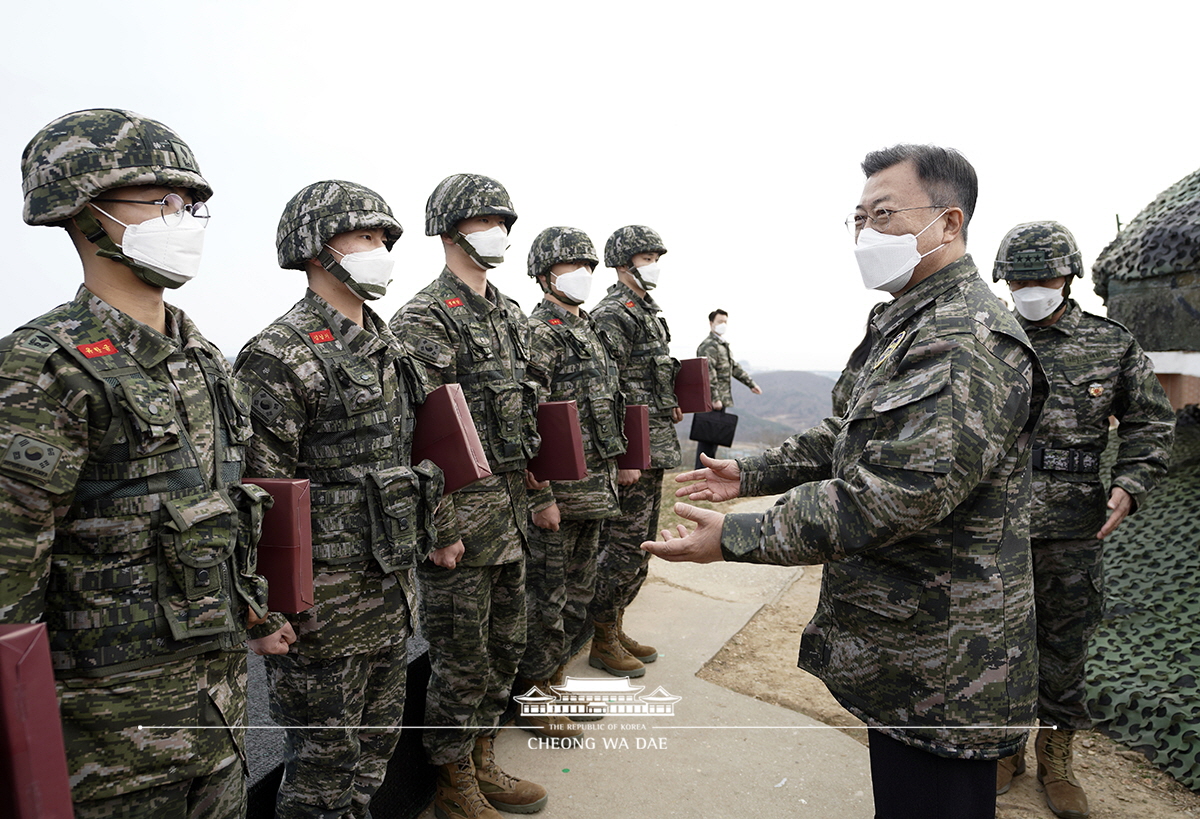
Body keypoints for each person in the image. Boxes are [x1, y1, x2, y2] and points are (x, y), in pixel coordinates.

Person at [644, 144, 1044, 819]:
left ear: (949, 223)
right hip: (906, 649)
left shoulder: (964, 338)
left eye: (884, 214)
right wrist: (749, 470)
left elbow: (892, 494)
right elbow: (847, 433)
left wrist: (738, 535)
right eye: (857, 218)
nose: (865, 234)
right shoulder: (908, 318)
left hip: (944, 661)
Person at [0, 108, 288, 818]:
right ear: (84, 211)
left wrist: (254, 610)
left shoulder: (205, 360)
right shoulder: (42, 366)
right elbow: (9, 588)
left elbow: (222, 511)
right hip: (110, 751)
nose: (182, 218)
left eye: (190, 205)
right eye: (160, 202)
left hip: (219, 718)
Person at [235, 180, 442, 819]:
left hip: (389, 594)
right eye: (364, 236)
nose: (380, 249)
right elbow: (252, 495)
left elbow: (420, 456)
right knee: (321, 772)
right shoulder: (279, 354)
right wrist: (264, 612)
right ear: (315, 247)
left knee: (374, 756)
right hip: (320, 614)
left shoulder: (393, 350)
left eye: (385, 238)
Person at [992, 221, 1174, 818]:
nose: (1032, 289)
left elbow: (1151, 423)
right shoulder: (980, 337)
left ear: (1069, 276)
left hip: (1073, 530)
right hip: (992, 527)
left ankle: (1058, 758)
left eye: (1044, 277)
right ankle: (1004, 749)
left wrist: (1130, 484)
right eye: (1021, 280)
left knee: (1064, 646)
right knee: (997, 642)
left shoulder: (1111, 344)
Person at [389, 173, 547, 818]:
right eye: (487, 222)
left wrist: (539, 489)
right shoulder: (425, 319)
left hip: (511, 512)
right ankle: (453, 782)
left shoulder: (509, 315)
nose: (500, 234)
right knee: (460, 657)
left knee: (505, 644)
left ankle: (482, 758)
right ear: (452, 230)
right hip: (460, 521)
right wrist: (441, 525)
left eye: (505, 223)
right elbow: (418, 436)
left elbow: (528, 411)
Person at [518, 226, 624, 737]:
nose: (581, 275)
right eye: (569, 267)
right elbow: (526, 418)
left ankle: (556, 681)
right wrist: (540, 493)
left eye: (588, 266)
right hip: (558, 495)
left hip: (594, 490)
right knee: (546, 598)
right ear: (543, 276)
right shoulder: (539, 332)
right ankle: (536, 697)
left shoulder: (590, 330)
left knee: (578, 594)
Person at [587, 225, 682, 678]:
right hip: (633, 452)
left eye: (657, 256)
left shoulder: (647, 310)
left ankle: (616, 623)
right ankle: (601, 638)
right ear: (624, 262)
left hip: (657, 445)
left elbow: (648, 376)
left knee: (640, 547)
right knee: (622, 548)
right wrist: (624, 455)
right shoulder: (612, 314)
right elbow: (607, 388)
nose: (655, 264)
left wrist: (671, 399)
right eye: (647, 257)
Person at [694, 309, 762, 467]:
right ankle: (701, 470)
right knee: (707, 438)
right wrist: (715, 398)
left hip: (721, 399)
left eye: (725, 322)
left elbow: (733, 367)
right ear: (711, 323)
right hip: (712, 400)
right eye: (720, 322)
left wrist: (751, 384)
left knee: (714, 437)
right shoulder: (709, 346)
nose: (723, 325)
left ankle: (708, 469)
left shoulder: (722, 344)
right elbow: (708, 373)